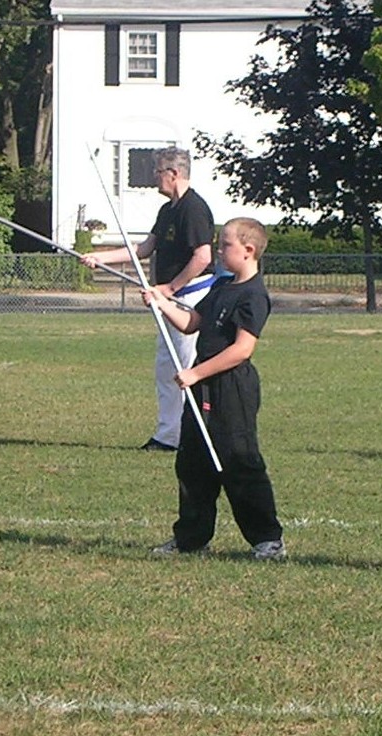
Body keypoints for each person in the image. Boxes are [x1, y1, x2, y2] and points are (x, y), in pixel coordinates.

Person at [142, 217, 284, 560]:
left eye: (225, 245)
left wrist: (195, 372)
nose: (218, 251)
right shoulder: (222, 287)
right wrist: (162, 304)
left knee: (239, 460)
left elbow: (241, 350)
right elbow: (193, 323)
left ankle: (267, 539)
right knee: (192, 462)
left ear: (249, 251)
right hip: (202, 387)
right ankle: (191, 538)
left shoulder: (254, 295)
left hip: (231, 387)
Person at [81, 146, 214, 451]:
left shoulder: (193, 208)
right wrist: (99, 259)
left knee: (184, 368)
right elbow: (143, 249)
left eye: (158, 173)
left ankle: (189, 436)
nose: (155, 179)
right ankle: (169, 435)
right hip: (168, 300)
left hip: (189, 299)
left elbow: (202, 257)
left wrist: (169, 289)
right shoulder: (167, 210)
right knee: (166, 368)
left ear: (174, 173)